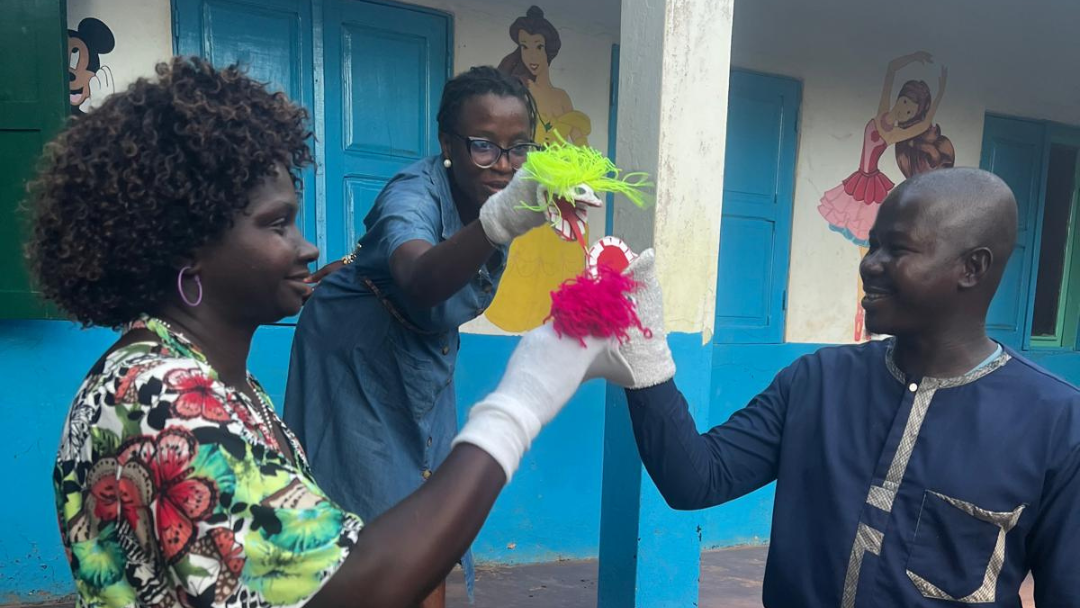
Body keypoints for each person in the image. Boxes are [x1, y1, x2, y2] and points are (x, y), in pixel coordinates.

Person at [33, 57, 630, 608]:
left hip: (417, 367)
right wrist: (526, 397)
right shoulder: (160, 401)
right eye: (278, 225)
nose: (310, 248)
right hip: (364, 361)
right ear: (186, 250)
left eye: (517, 148)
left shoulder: (224, 388)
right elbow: (356, 585)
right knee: (388, 517)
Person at [616, 168, 1080, 606]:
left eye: (897, 249)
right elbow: (695, 480)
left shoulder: (1057, 423)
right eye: (873, 246)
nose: (870, 265)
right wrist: (642, 346)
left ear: (972, 268)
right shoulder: (816, 381)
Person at [284, 64, 582, 606]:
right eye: (483, 146)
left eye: (519, 148)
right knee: (383, 522)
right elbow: (420, 280)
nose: (503, 164)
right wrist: (501, 221)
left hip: (424, 356)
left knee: (435, 514)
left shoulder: (494, 192)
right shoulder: (413, 193)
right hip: (353, 356)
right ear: (447, 143)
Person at [818, 51, 954, 341]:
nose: (903, 110)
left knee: (868, 257)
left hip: (871, 188)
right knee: (865, 257)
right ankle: (862, 318)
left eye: (910, 111)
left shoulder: (892, 134)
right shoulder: (881, 116)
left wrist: (941, 91)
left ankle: (863, 318)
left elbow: (925, 122)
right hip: (860, 184)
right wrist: (914, 57)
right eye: (903, 103)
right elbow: (891, 70)